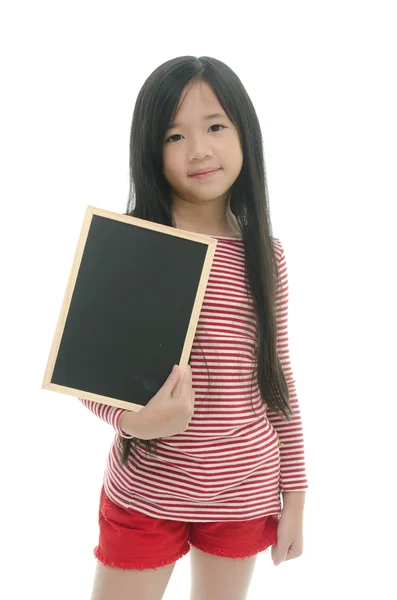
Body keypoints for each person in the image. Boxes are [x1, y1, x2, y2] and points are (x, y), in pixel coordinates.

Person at [79, 55, 309, 600]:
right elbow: (86, 374)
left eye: (215, 126)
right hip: (146, 493)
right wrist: (135, 421)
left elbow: (277, 377)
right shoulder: (133, 246)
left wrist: (295, 497)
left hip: (244, 492)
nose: (200, 149)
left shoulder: (265, 255)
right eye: (174, 135)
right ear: (150, 153)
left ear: (244, 135)